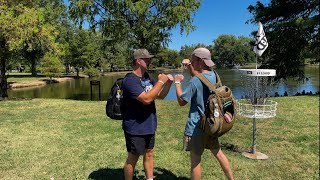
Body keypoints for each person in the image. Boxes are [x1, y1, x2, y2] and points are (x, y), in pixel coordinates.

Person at [174, 47, 234, 180]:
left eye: (193, 59)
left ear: (200, 61)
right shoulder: (215, 75)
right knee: (219, 154)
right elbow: (200, 78)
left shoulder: (195, 81)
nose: (192, 61)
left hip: (197, 128)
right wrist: (190, 66)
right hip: (212, 124)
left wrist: (177, 83)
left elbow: (181, 101)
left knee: (195, 162)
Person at [122, 48, 173, 180]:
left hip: (149, 123)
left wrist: (168, 84)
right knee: (133, 158)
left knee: (149, 153)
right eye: (147, 59)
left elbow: (160, 95)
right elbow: (146, 99)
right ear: (138, 61)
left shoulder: (147, 78)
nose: (150, 61)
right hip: (135, 127)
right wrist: (161, 81)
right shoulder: (130, 80)